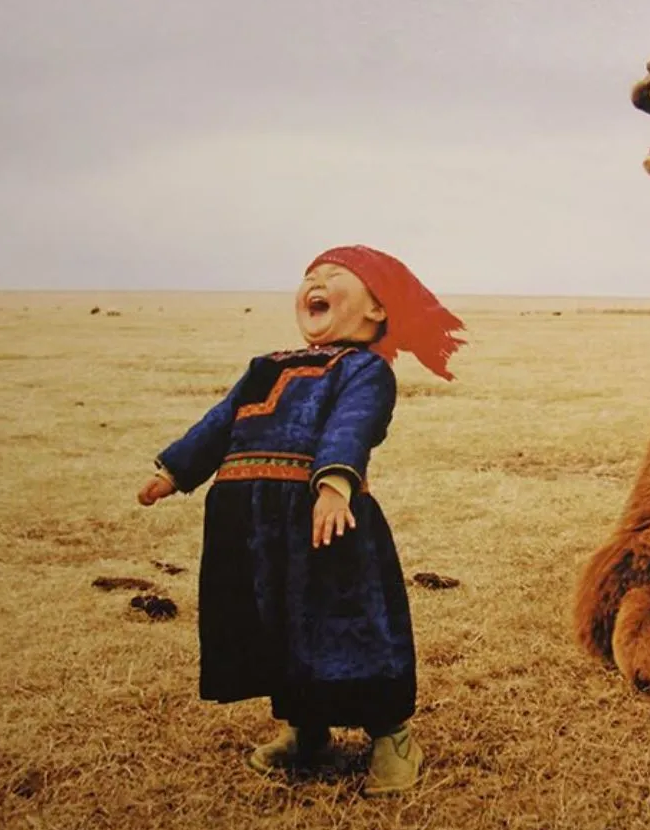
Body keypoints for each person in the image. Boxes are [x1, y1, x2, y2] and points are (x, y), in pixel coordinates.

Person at [137, 245, 466, 797]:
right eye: (309, 275)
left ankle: (391, 735)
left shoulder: (366, 369)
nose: (315, 281)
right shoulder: (267, 365)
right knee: (275, 626)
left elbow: (352, 427)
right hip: (250, 520)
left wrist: (334, 487)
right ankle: (307, 732)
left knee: (347, 622)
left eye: (334, 275)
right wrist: (174, 471)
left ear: (376, 311)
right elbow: (220, 422)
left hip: (324, 519)